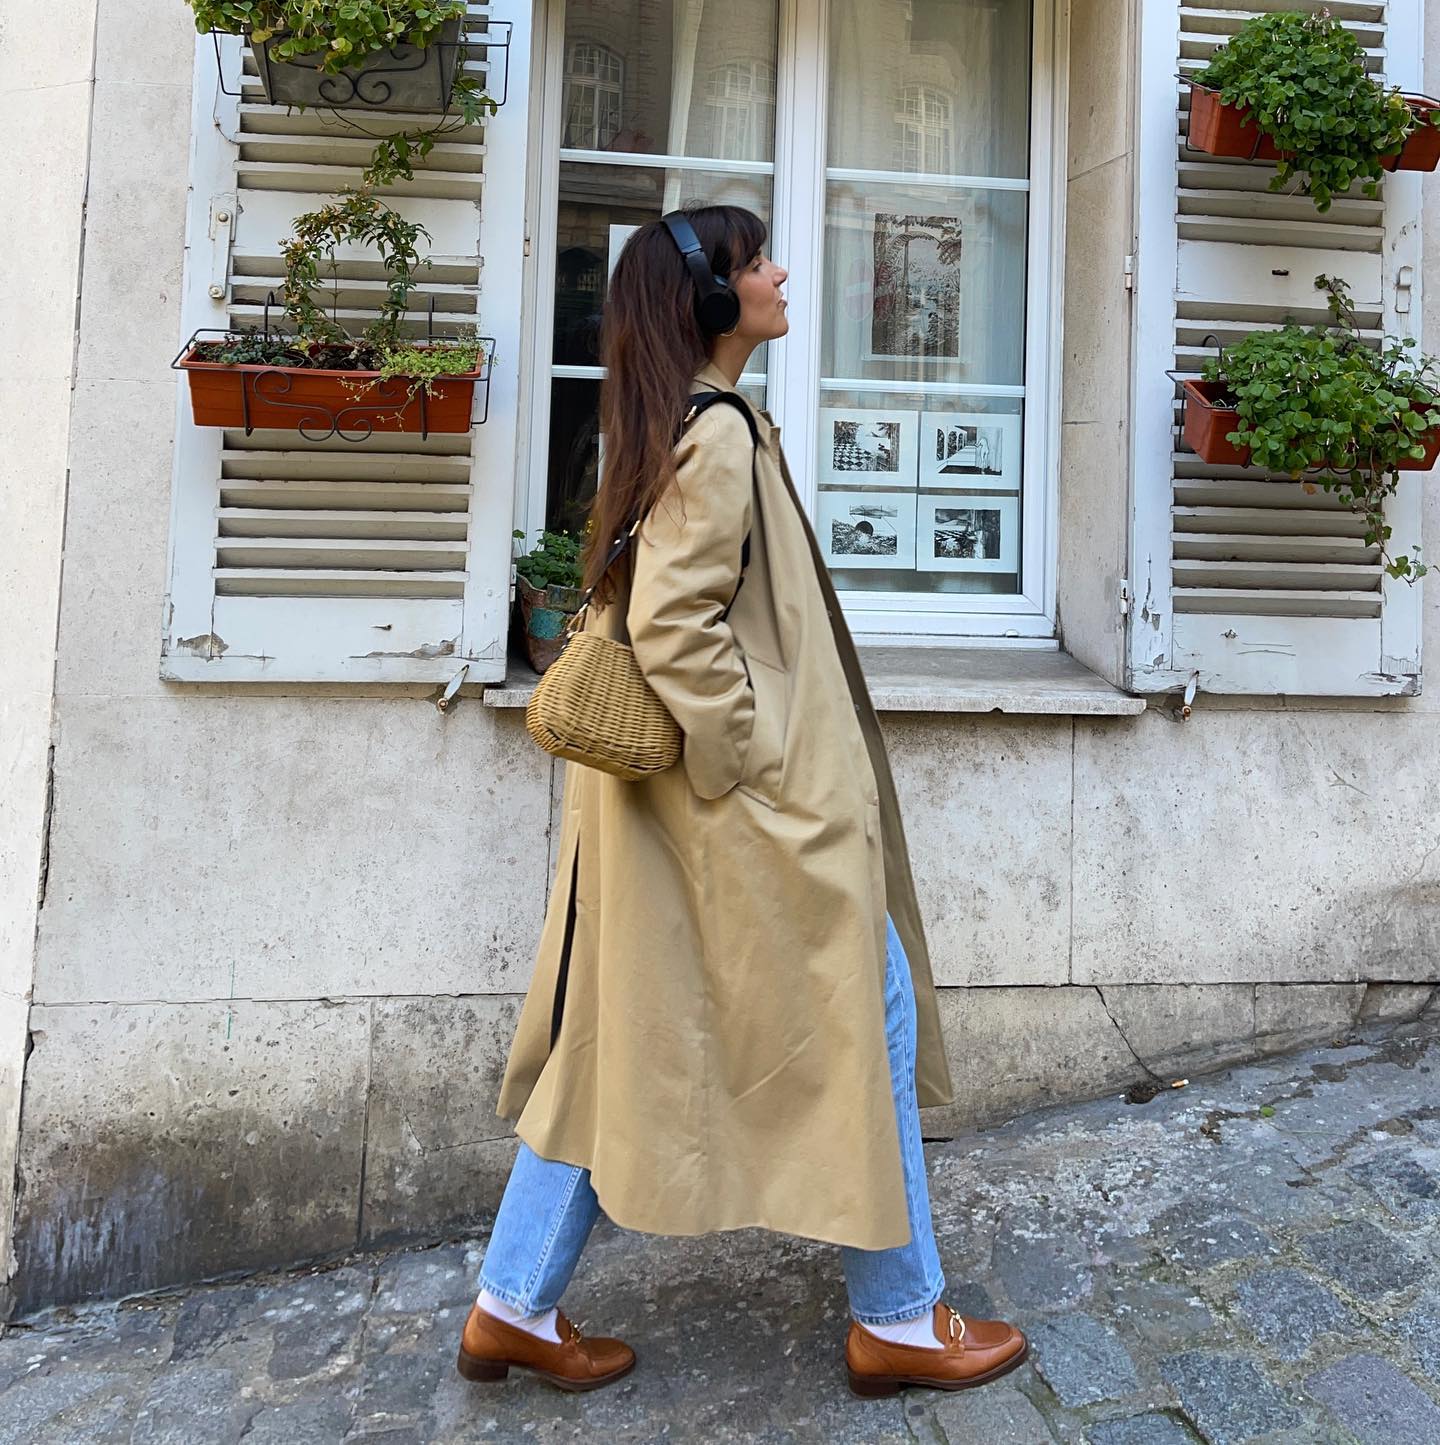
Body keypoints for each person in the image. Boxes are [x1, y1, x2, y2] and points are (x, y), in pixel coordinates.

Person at [455, 205, 1028, 1398]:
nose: (777, 274)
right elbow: (674, 625)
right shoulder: (715, 436)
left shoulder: (692, 421)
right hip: (730, 808)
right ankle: (902, 1315)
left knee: (610, 1034)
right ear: (710, 299)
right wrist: (755, 762)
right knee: (868, 1006)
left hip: (663, 816)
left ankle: (511, 1300)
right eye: (755, 259)